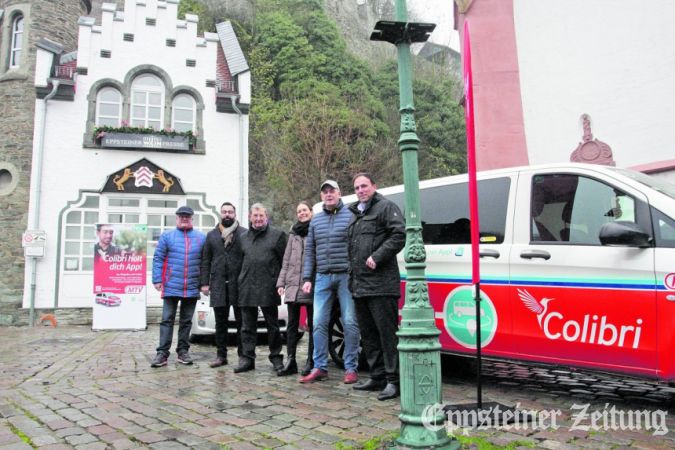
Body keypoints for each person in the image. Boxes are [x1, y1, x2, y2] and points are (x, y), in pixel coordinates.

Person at [348, 173, 405, 400]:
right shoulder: (356, 213)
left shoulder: (385, 207)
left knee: (387, 335)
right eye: (357, 187)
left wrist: (378, 256)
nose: (361, 190)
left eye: (364, 186)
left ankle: (394, 381)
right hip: (360, 285)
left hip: (381, 285)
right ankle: (377, 376)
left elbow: (399, 234)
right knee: (369, 335)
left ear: (374, 186)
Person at [299, 180, 360, 384]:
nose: (328, 194)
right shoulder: (315, 221)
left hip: (345, 276)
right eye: (324, 191)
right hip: (322, 277)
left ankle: (351, 368)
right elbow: (310, 252)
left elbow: (356, 246)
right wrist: (307, 278)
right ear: (321, 196)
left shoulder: (351, 215)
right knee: (318, 323)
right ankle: (320, 367)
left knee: (350, 322)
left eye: (332, 190)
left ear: (339, 193)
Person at [234, 203, 288, 373]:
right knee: (247, 326)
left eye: (261, 216)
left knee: (272, 326)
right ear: (250, 217)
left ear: (267, 217)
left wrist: (280, 281)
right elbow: (238, 263)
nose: (258, 219)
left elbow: (284, 261)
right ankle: (247, 359)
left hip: (269, 286)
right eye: (255, 216)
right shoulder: (242, 237)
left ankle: (276, 358)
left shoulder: (278, 235)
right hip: (247, 286)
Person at [150, 206, 206, 367]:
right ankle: (162, 353)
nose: (184, 219)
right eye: (181, 216)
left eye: (187, 216)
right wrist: (157, 279)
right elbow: (158, 258)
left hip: (192, 286)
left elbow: (205, 263)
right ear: (176, 218)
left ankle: (183, 351)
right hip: (171, 285)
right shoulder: (167, 236)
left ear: (192, 219)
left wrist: (204, 283)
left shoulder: (201, 238)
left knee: (186, 321)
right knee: (167, 320)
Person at [200, 202, 247, 368]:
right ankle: (221, 356)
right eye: (224, 212)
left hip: (238, 284)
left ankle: (243, 356)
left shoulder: (244, 234)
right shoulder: (212, 235)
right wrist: (204, 283)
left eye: (230, 212)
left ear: (235, 214)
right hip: (218, 283)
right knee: (220, 323)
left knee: (242, 322)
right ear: (221, 214)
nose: (227, 214)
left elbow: (248, 259)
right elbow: (205, 260)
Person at [276, 201, 315, 376]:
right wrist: (280, 282)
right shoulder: (293, 234)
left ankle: (311, 361)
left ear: (311, 212)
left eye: (305, 210)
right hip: (292, 284)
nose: (302, 213)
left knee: (313, 325)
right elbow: (286, 260)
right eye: (299, 211)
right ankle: (291, 361)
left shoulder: (315, 230)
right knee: (292, 325)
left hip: (309, 285)